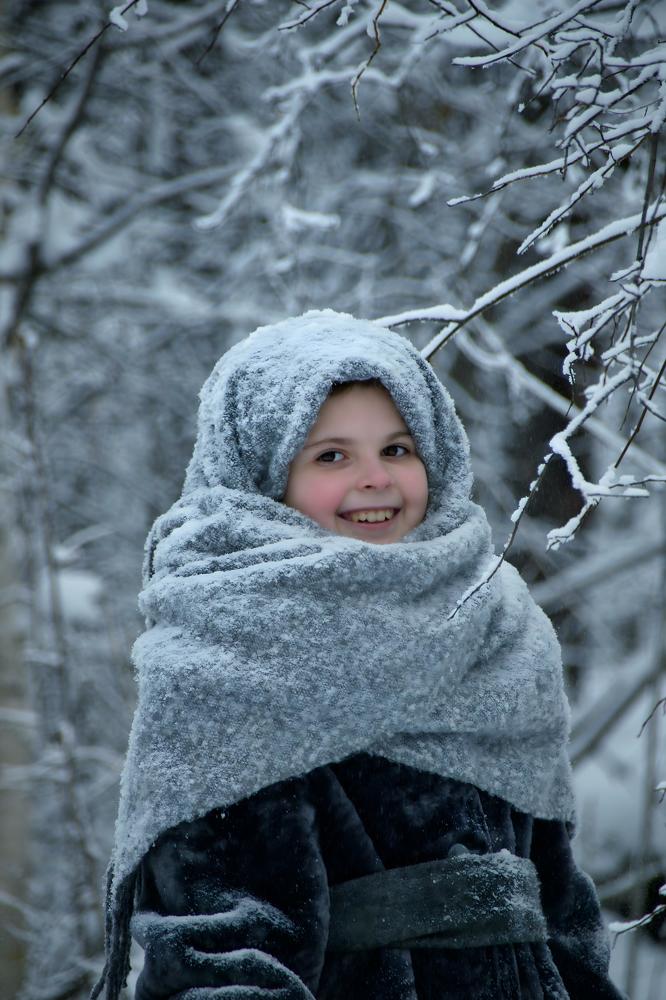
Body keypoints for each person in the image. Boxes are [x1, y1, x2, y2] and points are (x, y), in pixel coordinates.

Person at [92, 310, 625, 1000]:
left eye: (398, 450)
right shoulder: (231, 650)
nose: (375, 478)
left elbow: (562, 905)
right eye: (331, 455)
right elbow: (220, 954)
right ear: (261, 474)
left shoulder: (497, 622)